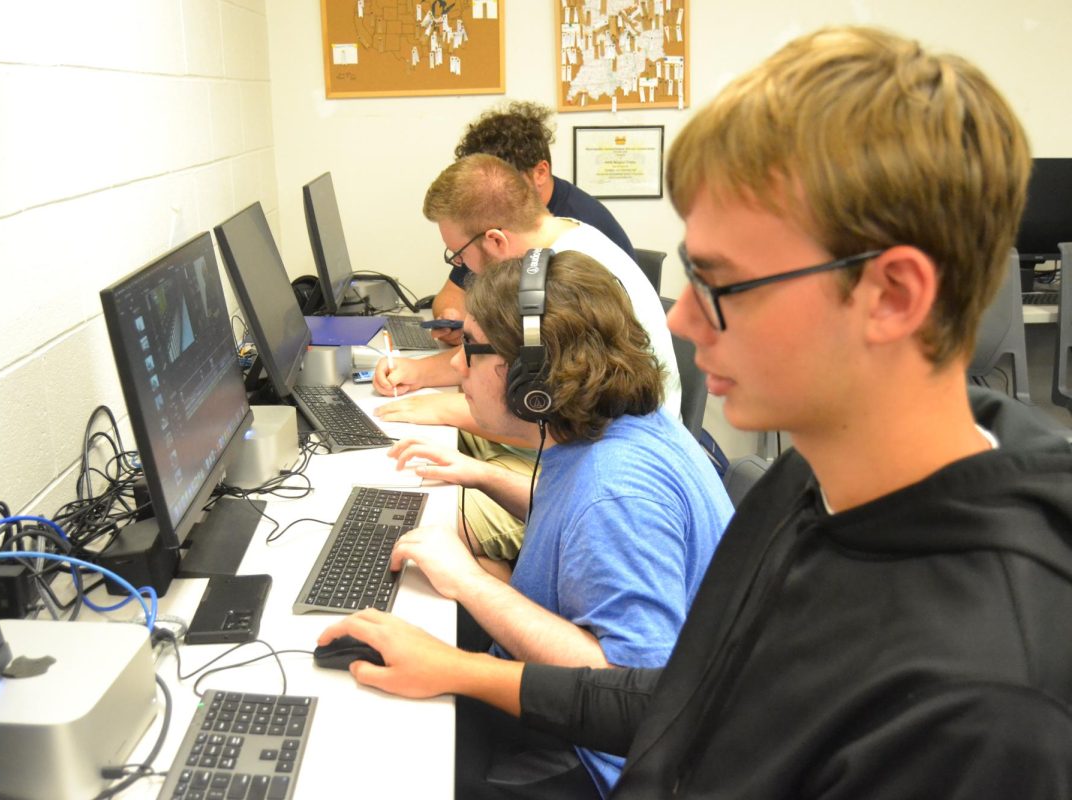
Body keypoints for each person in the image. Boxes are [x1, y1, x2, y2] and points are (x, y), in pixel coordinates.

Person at [322, 25, 1072, 798]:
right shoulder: (812, 486)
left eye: (723, 284)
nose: (678, 325)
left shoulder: (989, 712)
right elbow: (677, 696)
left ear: (891, 296)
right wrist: (462, 667)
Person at [383, 248, 730, 798]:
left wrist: (468, 581)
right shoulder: (620, 430)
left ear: (531, 375)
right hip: (587, 724)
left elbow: (627, 689)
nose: (454, 367)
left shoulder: (615, 490)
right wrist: (484, 476)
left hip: (603, 767)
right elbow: (576, 516)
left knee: (392, 753)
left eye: (470, 350)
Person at [372, 153, 681, 562]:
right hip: (576, 444)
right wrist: (421, 374)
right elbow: (505, 361)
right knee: (413, 475)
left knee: (409, 526)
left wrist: (449, 410)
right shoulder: (557, 241)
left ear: (497, 240)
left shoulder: (570, 281)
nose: (460, 267)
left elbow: (560, 413)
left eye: (459, 256)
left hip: (599, 458)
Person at [427, 101, 638, 345]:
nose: (488, 197)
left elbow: (526, 350)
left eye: (500, 180)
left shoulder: (570, 258)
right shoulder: (520, 230)